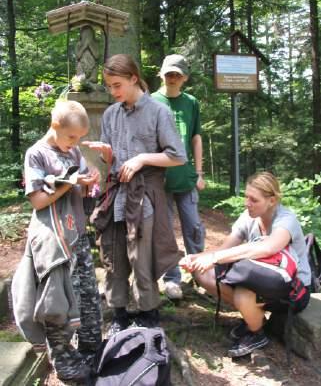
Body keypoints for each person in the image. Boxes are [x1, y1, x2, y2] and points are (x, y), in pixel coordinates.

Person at [83, 54, 187, 336]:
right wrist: (107, 155)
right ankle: (119, 312)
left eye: (117, 85)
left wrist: (142, 159)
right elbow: (112, 162)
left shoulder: (158, 111)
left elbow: (178, 156)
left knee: (141, 256)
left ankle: (148, 314)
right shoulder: (110, 114)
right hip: (116, 193)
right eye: (109, 86)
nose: (113, 92)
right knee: (114, 255)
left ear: (133, 78)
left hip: (144, 195)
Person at [12, 100, 102, 382]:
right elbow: (38, 200)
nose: (76, 144)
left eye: (79, 138)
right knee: (57, 303)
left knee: (88, 297)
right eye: (72, 137)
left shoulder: (73, 151)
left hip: (77, 235)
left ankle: (91, 350)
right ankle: (66, 362)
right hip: (53, 240)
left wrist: (89, 184)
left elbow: (84, 189)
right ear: (55, 126)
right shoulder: (36, 154)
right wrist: (70, 182)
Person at [180, 171, 311, 358]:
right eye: (246, 197)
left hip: (294, 290)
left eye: (253, 200)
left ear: (272, 200)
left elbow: (267, 248)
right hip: (263, 281)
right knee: (203, 273)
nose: (246, 203)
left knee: (243, 294)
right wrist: (197, 258)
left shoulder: (286, 220)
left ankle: (256, 333)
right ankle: (254, 318)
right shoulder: (248, 216)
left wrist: (214, 258)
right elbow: (225, 247)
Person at [151, 54, 205, 300]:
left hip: (186, 177)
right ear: (161, 75)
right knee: (165, 232)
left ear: (185, 78)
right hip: (160, 180)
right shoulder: (151, 101)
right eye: (169, 74)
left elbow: (195, 137)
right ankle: (171, 279)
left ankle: (201, 276)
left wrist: (200, 173)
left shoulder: (191, 102)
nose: (173, 78)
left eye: (177, 74)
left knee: (194, 228)